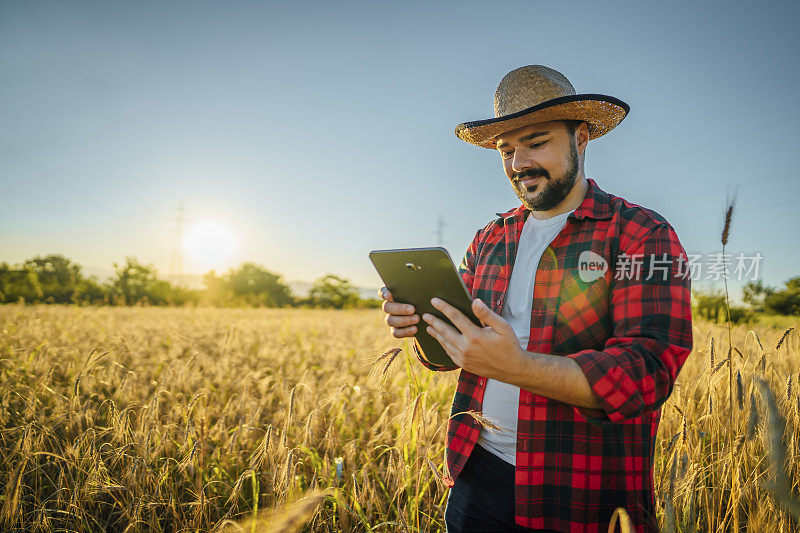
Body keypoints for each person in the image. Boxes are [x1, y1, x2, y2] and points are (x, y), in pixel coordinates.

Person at [379, 65, 693, 532]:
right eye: (506, 150)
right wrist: (422, 324)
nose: (518, 162)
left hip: (580, 491)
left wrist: (517, 366)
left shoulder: (641, 233)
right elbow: (453, 356)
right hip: (476, 469)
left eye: (537, 142)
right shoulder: (490, 238)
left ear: (581, 138)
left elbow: (647, 371)